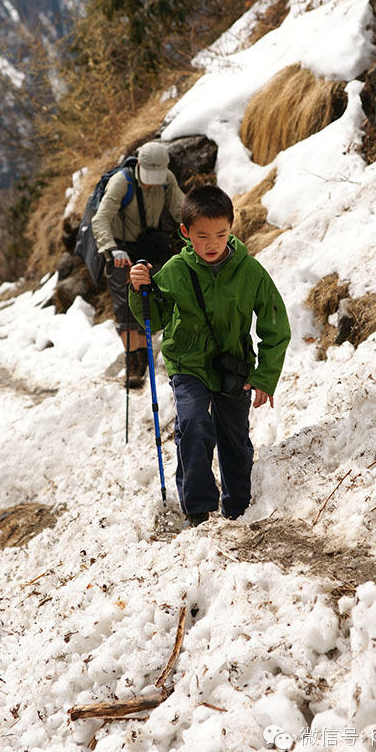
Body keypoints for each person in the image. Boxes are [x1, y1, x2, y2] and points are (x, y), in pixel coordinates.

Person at [129, 184, 291, 526]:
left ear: (231, 228)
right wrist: (140, 289)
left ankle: (238, 507)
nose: (212, 243)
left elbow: (275, 324)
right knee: (192, 423)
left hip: (233, 366)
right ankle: (198, 509)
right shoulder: (176, 270)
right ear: (186, 233)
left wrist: (265, 376)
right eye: (202, 236)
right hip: (187, 364)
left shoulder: (250, 271)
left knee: (234, 437)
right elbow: (154, 319)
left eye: (220, 234)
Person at [91, 141, 184, 388]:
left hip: (149, 246)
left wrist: (199, 229)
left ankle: (144, 354)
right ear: (139, 164)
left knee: (148, 301)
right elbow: (100, 219)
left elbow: (181, 210)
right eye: (149, 177)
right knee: (124, 306)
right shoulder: (122, 182)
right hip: (121, 250)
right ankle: (133, 359)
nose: (152, 183)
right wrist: (112, 248)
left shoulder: (167, 179)